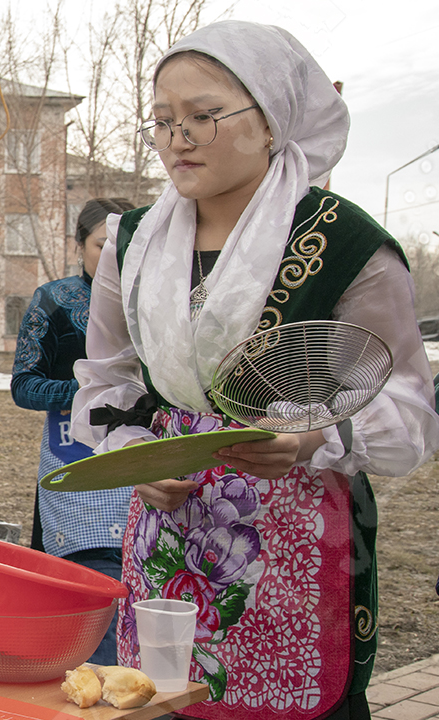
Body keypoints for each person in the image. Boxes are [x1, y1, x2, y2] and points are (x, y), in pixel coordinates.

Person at [70, 21, 439, 720]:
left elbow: (412, 412)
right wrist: (133, 454)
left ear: (272, 121)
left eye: (203, 116)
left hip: (299, 528)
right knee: (167, 700)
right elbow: (106, 382)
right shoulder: (134, 244)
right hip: (169, 529)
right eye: (162, 120)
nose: (178, 136)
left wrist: (311, 436)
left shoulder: (343, 244)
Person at [10, 196, 134, 664]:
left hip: (152, 466)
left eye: (128, 245)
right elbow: (24, 386)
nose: (115, 257)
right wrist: (93, 392)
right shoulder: (56, 300)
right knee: (92, 599)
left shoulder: (161, 302)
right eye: (104, 245)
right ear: (79, 243)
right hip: (76, 461)